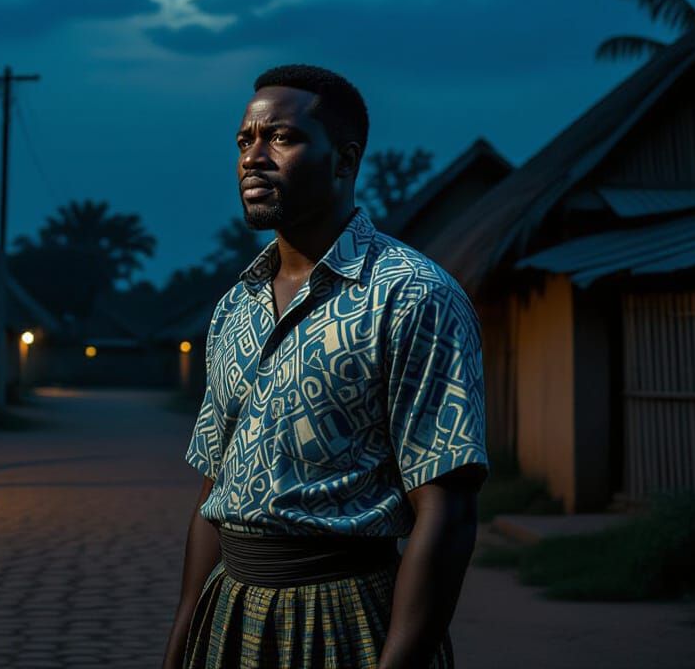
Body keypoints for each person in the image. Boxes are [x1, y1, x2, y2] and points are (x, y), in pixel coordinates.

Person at [161, 64, 488, 669]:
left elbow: (448, 509)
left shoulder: (412, 295)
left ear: (344, 160)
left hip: (345, 615)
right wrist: (183, 638)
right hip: (228, 610)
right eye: (244, 140)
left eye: (281, 138)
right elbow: (213, 494)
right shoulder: (235, 306)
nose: (254, 157)